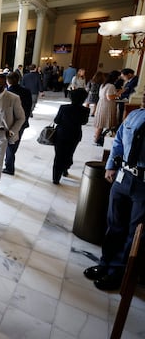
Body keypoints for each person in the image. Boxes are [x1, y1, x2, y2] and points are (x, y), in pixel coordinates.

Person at [83, 93, 145, 291]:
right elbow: (118, 140)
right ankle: (105, 263)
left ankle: (119, 272)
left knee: (134, 232)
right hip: (123, 176)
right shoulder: (135, 115)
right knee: (114, 224)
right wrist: (110, 165)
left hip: (143, 184)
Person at [52, 88, 89, 184]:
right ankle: (65, 169)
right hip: (74, 135)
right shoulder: (85, 110)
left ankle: (56, 178)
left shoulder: (64, 108)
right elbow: (84, 122)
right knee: (69, 153)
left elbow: (56, 120)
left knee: (59, 155)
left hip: (61, 134)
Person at [3, 72, 32, 175]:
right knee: (14, 144)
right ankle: (9, 163)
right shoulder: (26, 91)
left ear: (7, 81)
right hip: (22, 122)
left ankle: (9, 167)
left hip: (9, 123)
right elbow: (29, 108)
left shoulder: (7, 93)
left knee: (9, 145)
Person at [93, 71, 120, 146]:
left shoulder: (103, 85)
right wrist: (119, 93)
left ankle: (96, 138)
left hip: (102, 104)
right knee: (103, 123)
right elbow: (109, 97)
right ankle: (98, 139)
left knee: (100, 123)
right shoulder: (111, 86)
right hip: (107, 105)